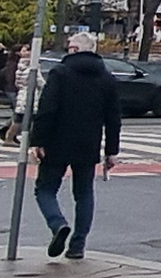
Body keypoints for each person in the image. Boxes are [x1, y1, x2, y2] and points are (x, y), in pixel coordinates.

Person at [26, 31, 123, 259]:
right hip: (88, 144)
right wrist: (111, 152)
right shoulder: (107, 78)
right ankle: (78, 246)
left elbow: (47, 110)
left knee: (45, 189)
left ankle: (57, 223)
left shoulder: (60, 73)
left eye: (70, 45)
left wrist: (38, 140)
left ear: (75, 50)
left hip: (57, 142)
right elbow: (113, 119)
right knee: (84, 194)